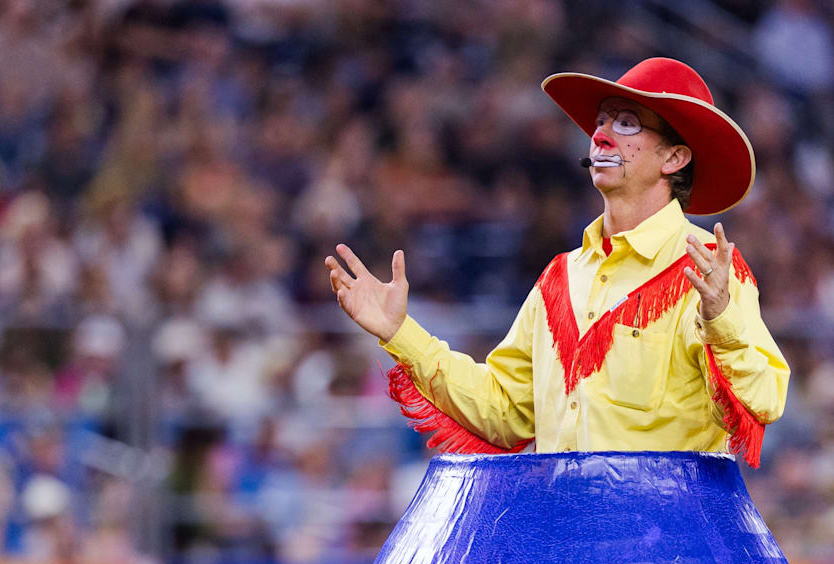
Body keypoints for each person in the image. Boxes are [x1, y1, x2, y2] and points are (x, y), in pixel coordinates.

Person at [325, 58, 789, 467]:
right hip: (565, 552)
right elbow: (505, 410)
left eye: (627, 124)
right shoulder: (561, 276)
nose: (602, 134)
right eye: (601, 123)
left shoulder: (708, 271)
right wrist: (399, 331)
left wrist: (721, 320)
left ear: (674, 157)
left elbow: (766, 399)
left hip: (661, 556)